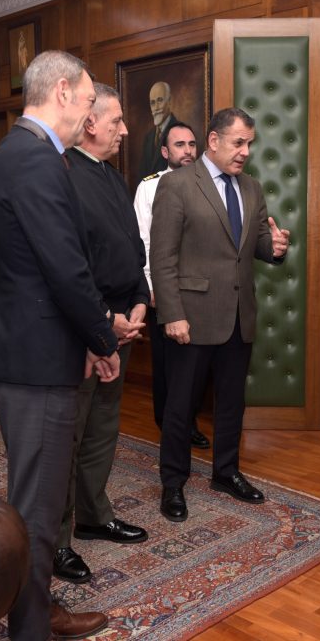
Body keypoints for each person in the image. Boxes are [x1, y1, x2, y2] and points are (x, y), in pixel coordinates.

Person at [0, 50, 118, 641]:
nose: (90, 114)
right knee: (37, 508)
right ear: (61, 92)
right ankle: (30, 628)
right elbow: (65, 269)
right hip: (35, 363)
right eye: (87, 101)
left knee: (34, 498)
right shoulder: (35, 159)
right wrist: (103, 339)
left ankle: (35, 605)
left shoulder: (19, 152)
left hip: (28, 351)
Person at [150, 107, 290, 522]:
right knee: (181, 406)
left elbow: (256, 244)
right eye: (238, 142)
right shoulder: (177, 184)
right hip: (191, 318)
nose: (245, 151)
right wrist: (172, 313)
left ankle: (226, 473)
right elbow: (162, 256)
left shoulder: (252, 187)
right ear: (213, 141)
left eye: (250, 144)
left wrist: (275, 248)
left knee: (231, 403)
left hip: (238, 316)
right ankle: (173, 482)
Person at [53, 83, 150, 585]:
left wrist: (139, 303)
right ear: (90, 122)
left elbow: (134, 251)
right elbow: (70, 263)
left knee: (103, 427)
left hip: (122, 325)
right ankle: (57, 541)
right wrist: (105, 317)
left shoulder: (113, 177)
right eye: (117, 121)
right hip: (86, 328)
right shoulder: (64, 175)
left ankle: (93, 515)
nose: (125, 130)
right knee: (68, 435)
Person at [132, 122, 211, 450]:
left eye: (192, 144)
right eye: (180, 145)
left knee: (197, 364)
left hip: (200, 293)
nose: (188, 151)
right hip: (164, 291)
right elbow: (143, 241)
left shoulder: (208, 185)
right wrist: (151, 287)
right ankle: (168, 426)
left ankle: (188, 422)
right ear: (165, 151)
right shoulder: (150, 187)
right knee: (167, 365)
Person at [138, 81, 179, 182]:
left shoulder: (179, 132)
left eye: (160, 100)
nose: (156, 108)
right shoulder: (149, 137)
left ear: (169, 101)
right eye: (152, 103)